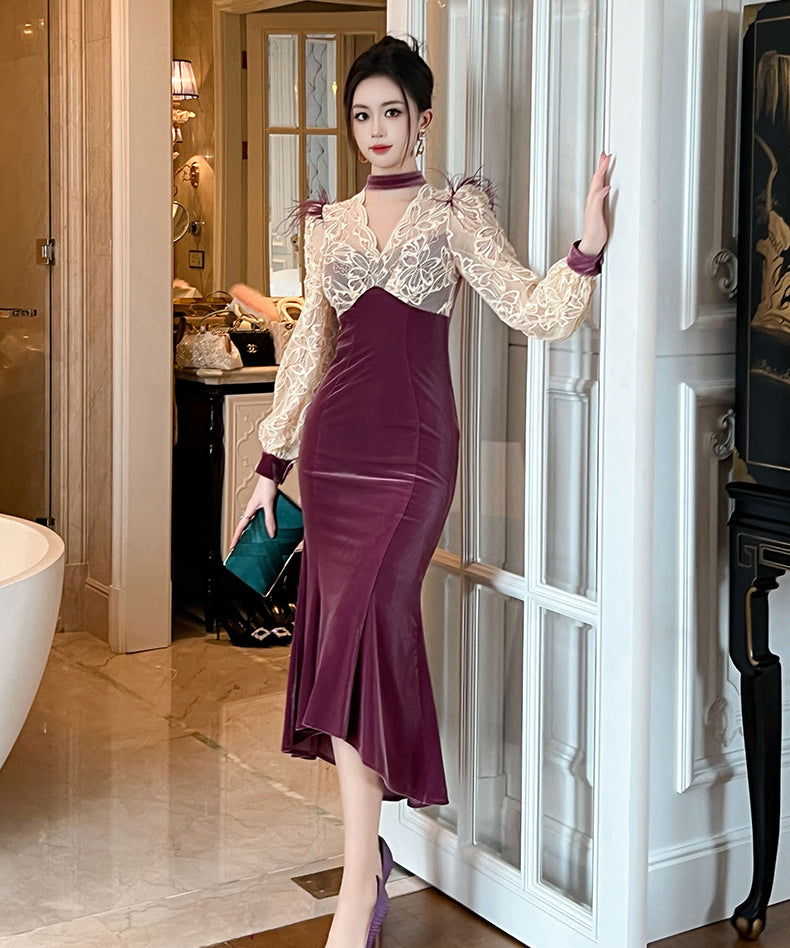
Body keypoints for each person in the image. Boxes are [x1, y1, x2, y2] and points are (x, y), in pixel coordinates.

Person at [230, 34, 610, 948]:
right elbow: (310, 347)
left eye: (391, 112)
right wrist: (271, 463)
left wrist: (587, 248)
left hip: (414, 457)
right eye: (361, 115)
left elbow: (532, 308)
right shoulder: (327, 225)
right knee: (342, 644)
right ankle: (363, 872)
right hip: (334, 452)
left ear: (423, 118)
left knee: (371, 622)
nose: (375, 130)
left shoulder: (453, 216)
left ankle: (362, 879)